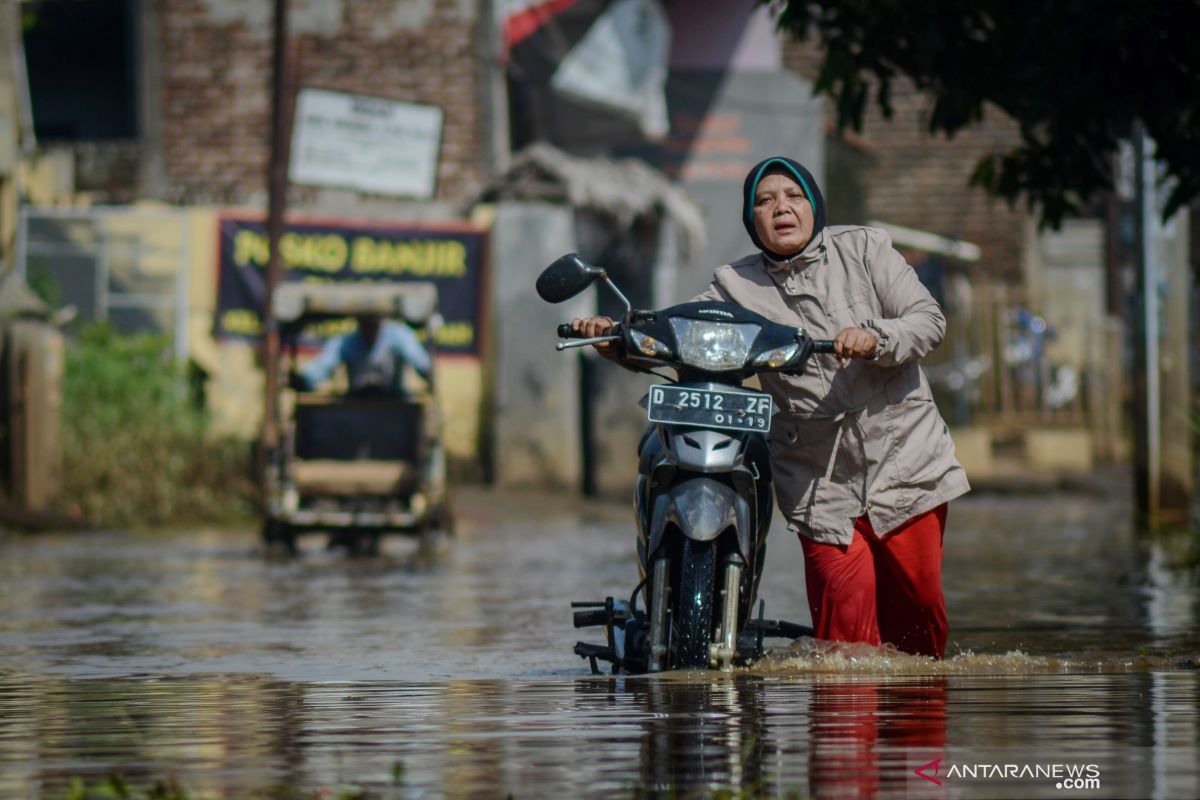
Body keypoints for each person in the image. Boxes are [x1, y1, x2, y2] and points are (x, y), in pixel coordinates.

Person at [573, 155, 970, 658]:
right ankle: (847, 731)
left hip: (904, 459)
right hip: (817, 476)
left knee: (918, 618)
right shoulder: (732, 286)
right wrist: (616, 339)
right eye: (765, 201)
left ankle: (911, 726)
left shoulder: (866, 249)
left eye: (793, 196)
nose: (780, 207)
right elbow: (682, 335)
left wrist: (876, 337)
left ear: (813, 206)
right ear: (751, 219)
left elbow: (927, 319)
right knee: (843, 640)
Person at [290, 313, 431, 396]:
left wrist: (428, 373)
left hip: (395, 410)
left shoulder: (399, 335)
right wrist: (303, 380)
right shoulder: (346, 342)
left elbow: (420, 362)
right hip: (357, 411)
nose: (369, 327)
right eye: (365, 321)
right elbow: (322, 366)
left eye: (373, 321)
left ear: (382, 319)